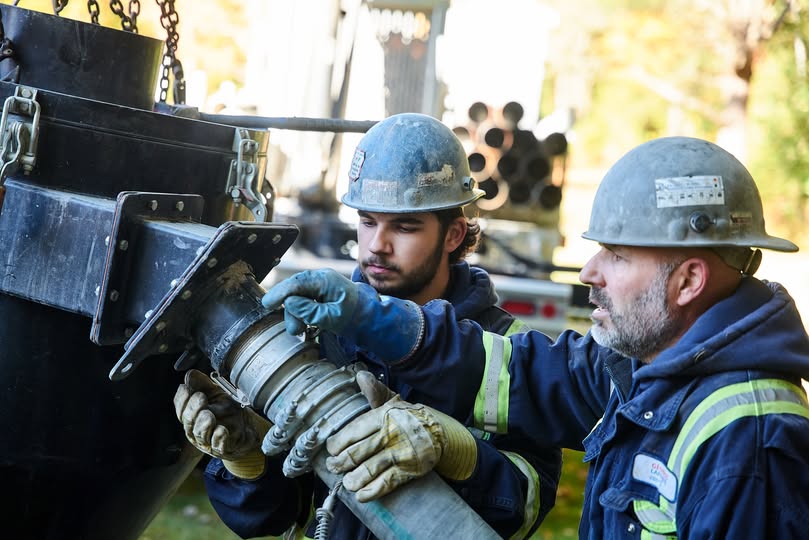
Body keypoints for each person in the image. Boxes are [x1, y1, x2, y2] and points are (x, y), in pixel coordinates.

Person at [262, 136, 809, 538]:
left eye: (616, 256)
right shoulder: (643, 363)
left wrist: (464, 457)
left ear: (689, 280)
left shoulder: (747, 441)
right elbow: (520, 371)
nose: (589, 272)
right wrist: (377, 318)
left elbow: (519, 497)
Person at [174, 112, 563, 539]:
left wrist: (460, 454)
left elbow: (527, 509)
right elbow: (282, 512)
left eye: (405, 226)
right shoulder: (323, 333)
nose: (377, 245)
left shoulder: (505, 352)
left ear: (453, 235)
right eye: (368, 221)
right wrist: (247, 457)